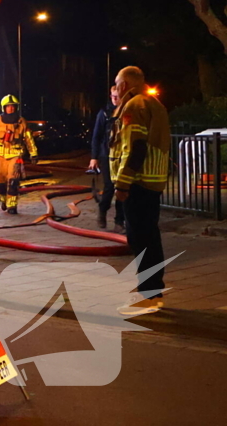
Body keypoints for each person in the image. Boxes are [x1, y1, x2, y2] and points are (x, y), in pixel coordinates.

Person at [109, 66, 171, 316]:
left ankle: (149, 296)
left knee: (141, 240)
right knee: (149, 238)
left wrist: (123, 184)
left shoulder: (134, 106)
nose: (116, 87)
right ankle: (152, 291)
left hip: (138, 183)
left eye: (117, 83)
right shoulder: (154, 103)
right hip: (152, 182)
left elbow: (135, 148)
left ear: (124, 84)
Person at [0, 95, 38, 214]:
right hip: (0, 156)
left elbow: (28, 139)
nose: (10, 109)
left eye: (13, 106)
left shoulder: (21, 122)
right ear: (3, 108)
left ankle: (12, 205)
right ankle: (3, 199)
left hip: (15, 154)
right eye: (8, 106)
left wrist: (33, 153)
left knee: (13, 181)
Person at [89, 86, 125, 231]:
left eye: (117, 96)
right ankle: (103, 210)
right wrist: (94, 157)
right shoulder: (103, 114)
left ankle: (119, 221)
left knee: (122, 188)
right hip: (106, 155)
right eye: (112, 96)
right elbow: (96, 137)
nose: (115, 99)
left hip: (122, 156)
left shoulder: (126, 113)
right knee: (109, 187)